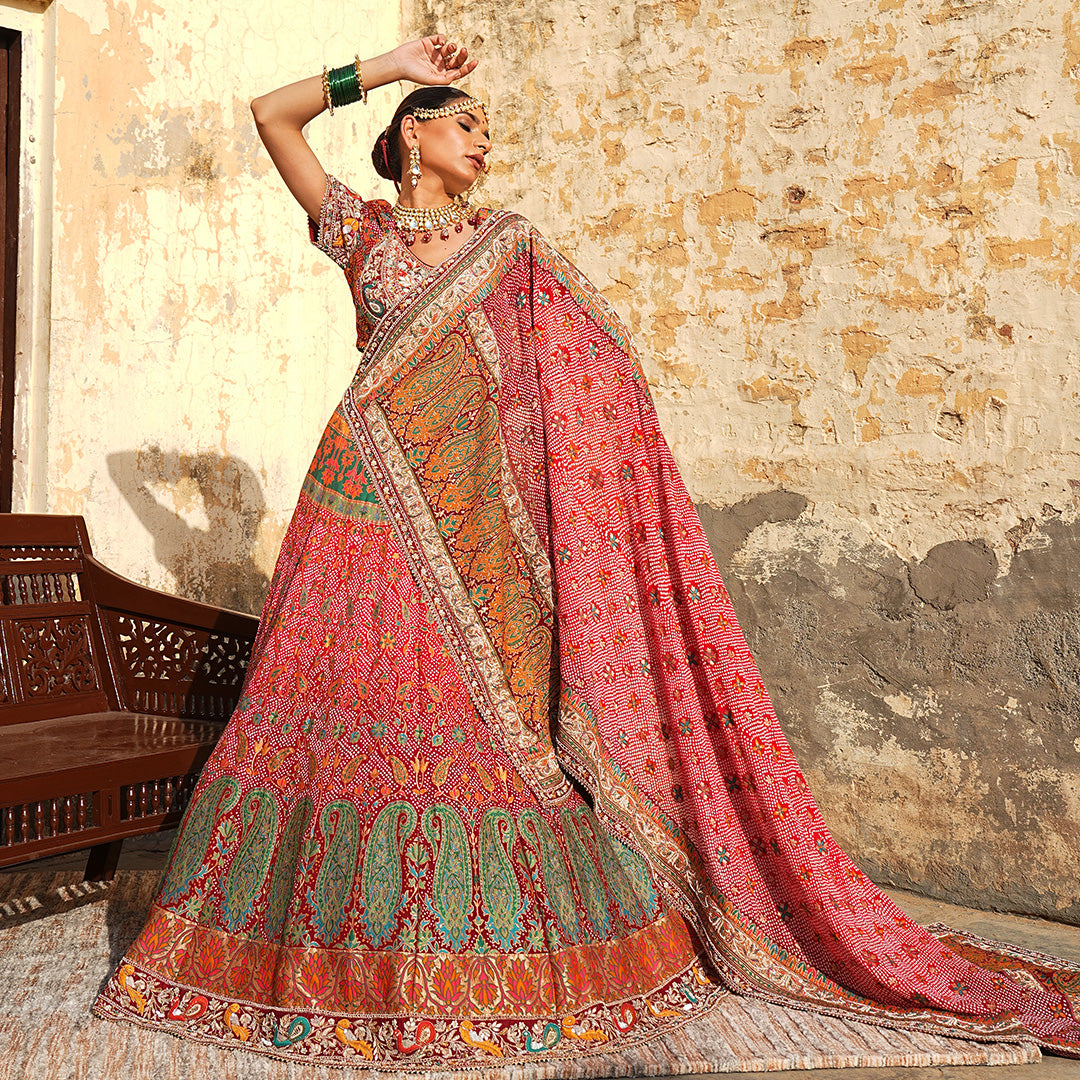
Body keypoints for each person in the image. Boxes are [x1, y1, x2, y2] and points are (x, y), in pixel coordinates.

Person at [93, 35, 1080, 1067]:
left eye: (487, 126)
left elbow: (587, 377)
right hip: (361, 510)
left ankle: (492, 963)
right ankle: (305, 958)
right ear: (411, 135)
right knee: (337, 723)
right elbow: (269, 115)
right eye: (463, 120)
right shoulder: (360, 231)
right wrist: (384, 64)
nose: (484, 139)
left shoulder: (511, 249)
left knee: (486, 740)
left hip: (477, 536)